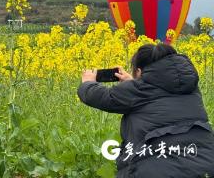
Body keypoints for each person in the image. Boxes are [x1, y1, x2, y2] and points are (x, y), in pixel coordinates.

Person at [78, 43, 214, 177]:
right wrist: (132, 82)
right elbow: (156, 94)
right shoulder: (191, 89)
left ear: (139, 71)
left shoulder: (137, 91)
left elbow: (100, 97)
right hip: (206, 164)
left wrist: (88, 83)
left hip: (156, 170)